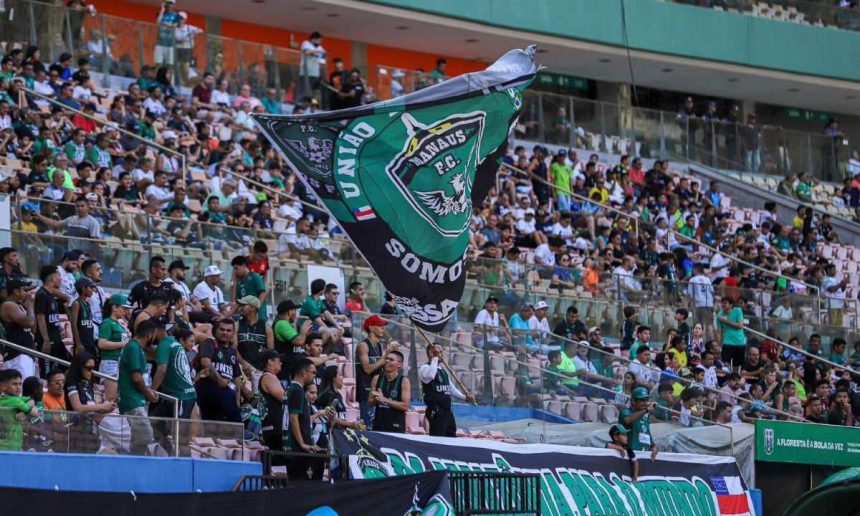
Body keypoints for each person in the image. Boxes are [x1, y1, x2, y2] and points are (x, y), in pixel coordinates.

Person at [117, 319, 159, 455]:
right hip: (132, 399)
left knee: (141, 437)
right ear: (150, 334)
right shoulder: (134, 348)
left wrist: (148, 391)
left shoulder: (136, 348)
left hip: (136, 398)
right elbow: (136, 378)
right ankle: (134, 460)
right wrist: (148, 393)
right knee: (145, 435)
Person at [195, 319, 247, 422]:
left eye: (228, 330)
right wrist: (219, 380)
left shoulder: (233, 351)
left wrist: (237, 401)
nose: (225, 333)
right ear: (216, 330)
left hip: (227, 394)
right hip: (208, 389)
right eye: (222, 329)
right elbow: (205, 363)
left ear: (233, 333)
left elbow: (236, 377)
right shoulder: (209, 342)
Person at [420, 343, 475, 437]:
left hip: (447, 411)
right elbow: (431, 375)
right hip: (436, 411)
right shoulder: (425, 368)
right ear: (431, 352)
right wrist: (435, 358)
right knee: (438, 438)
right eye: (439, 352)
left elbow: (452, 389)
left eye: (442, 352)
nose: (442, 354)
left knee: (451, 436)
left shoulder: (442, 371)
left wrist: (465, 398)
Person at [355, 315, 397, 426]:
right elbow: (367, 369)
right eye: (380, 326)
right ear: (371, 328)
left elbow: (381, 366)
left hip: (376, 389)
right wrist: (385, 357)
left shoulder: (378, 345)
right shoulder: (363, 345)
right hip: (365, 390)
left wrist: (390, 356)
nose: (383, 329)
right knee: (366, 424)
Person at [285, 357, 323, 480]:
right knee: (302, 484)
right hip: (298, 448)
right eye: (313, 372)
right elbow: (293, 418)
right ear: (304, 373)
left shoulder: (291, 388)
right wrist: (302, 443)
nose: (314, 375)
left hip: (294, 446)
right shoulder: (297, 390)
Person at [151, 326, 197, 419]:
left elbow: (162, 369)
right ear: (182, 340)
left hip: (180, 396)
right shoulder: (174, 345)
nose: (193, 344)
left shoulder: (166, 344)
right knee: (158, 422)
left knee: (176, 426)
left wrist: (151, 391)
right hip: (183, 395)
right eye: (191, 341)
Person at [35, 265, 68, 378]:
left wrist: (59, 327)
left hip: (56, 340)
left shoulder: (51, 296)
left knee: (64, 368)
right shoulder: (41, 295)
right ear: (53, 278)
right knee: (48, 374)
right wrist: (46, 340)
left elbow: (51, 317)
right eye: (59, 276)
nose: (60, 279)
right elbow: (40, 317)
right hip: (48, 342)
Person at [0, 278, 36, 379]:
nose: (27, 293)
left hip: (26, 352)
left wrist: (29, 307)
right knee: (21, 386)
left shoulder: (20, 305)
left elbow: (33, 326)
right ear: (16, 291)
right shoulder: (8, 305)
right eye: (25, 290)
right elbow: (29, 322)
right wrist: (30, 307)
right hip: (17, 354)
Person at [235, 295, 274, 387]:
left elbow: (271, 352)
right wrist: (243, 364)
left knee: (256, 394)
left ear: (252, 308)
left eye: (243, 305)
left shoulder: (266, 327)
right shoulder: (236, 325)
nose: (240, 308)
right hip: (241, 366)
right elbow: (233, 348)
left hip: (259, 368)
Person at [370, 350, 411, 433]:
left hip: (396, 426)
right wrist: (376, 399)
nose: (387, 361)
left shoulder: (404, 381)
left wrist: (385, 400)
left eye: (391, 360)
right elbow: (370, 402)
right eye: (387, 359)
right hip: (378, 425)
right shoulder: (376, 379)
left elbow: (405, 406)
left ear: (399, 364)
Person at [619, 386, 658, 460]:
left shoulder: (644, 416)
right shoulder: (626, 412)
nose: (645, 403)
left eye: (647, 400)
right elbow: (627, 420)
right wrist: (646, 410)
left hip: (644, 456)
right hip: (628, 456)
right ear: (633, 401)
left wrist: (653, 446)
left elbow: (646, 434)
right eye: (642, 400)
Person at [231, 256, 268, 321]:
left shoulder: (255, 277)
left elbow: (263, 293)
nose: (235, 271)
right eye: (234, 269)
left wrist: (256, 309)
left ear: (243, 266)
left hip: (259, 317)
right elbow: (238, 302)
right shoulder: (239, 283)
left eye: (236, 268)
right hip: (245, 318)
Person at [716, 296, 746, 369]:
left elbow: (740, 325)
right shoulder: (719, 316)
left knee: (737, 366)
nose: (723, 305)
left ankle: (735, 376)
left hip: (739, 342)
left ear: (731, 304)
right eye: (722, 303)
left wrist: (726, 321)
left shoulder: (738, 310)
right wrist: (718, 345)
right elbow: (719, 332)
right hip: (727, 343)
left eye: (725, 303)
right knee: (725, 365)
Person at [69, 277, 97, 356]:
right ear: (83, 288)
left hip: (90, 342)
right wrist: (78, 344)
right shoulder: (76, 303)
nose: (93, 290)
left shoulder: (88, 304)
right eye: (90, 287)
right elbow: (73, 324)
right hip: (82, 343)